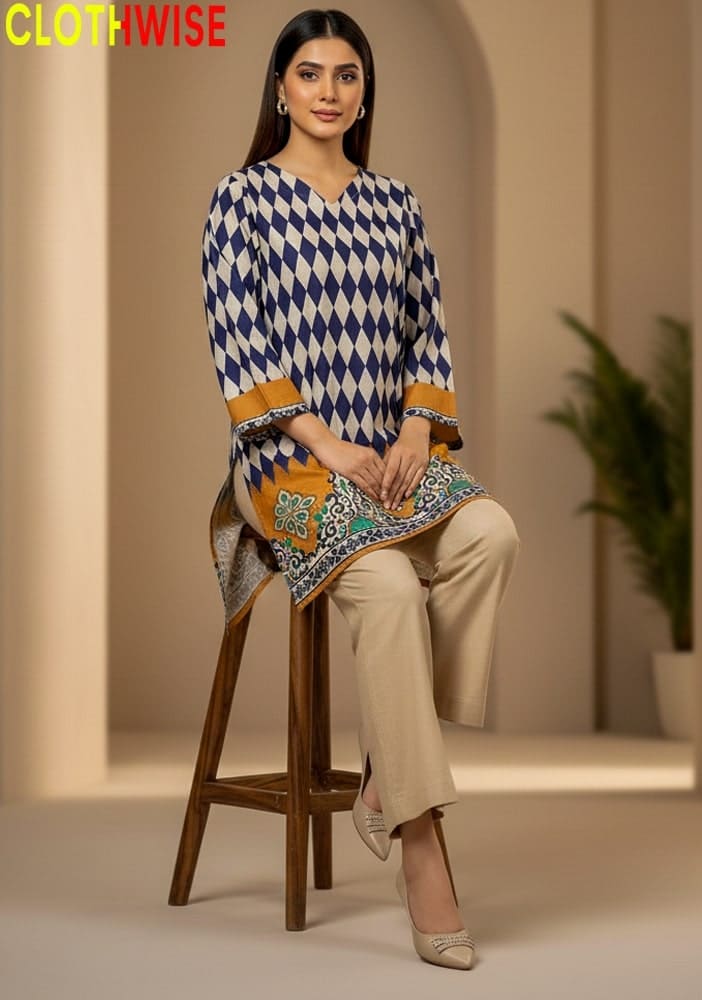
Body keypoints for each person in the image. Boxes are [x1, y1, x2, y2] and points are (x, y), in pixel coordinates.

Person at [201, 7, 521, 971]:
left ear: (363, 92)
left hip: (389, 456)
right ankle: (423, 849)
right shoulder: (241, 199)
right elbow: (236, 340)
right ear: (281, 88)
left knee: (491, 533)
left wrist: (419, 423)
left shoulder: (395, 202)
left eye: (346, 75)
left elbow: (427, 326)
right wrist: (322, 441)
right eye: (310, 74)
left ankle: (386, 769)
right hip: (282, 466)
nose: (329, 91)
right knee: (382, 586)